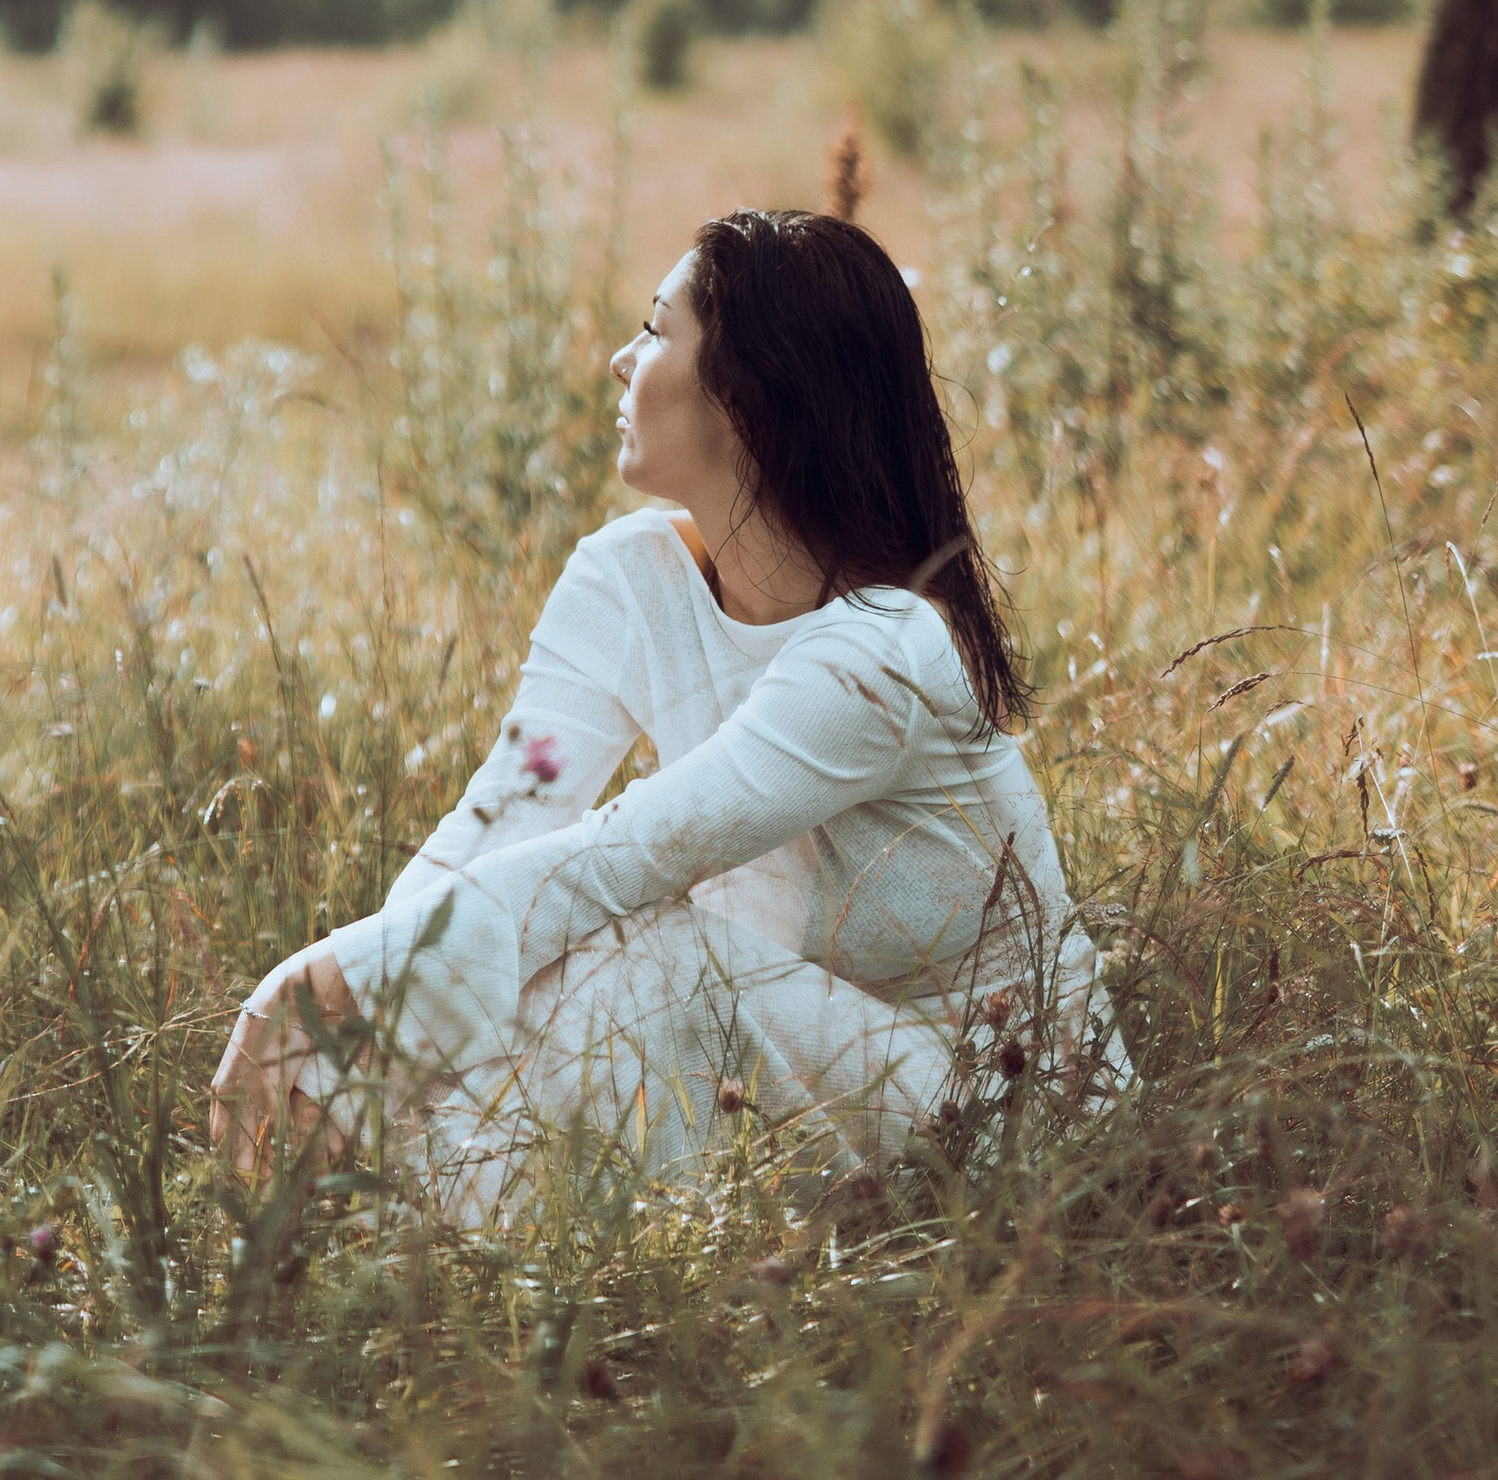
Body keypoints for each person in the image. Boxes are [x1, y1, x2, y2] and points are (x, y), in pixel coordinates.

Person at [209, 209, 1125, 1217]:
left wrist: (316, 983)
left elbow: (628, 854)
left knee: (632, 942)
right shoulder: (627, 578)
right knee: (533, 945)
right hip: (785, 1080)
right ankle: (436, 1232)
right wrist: (346, 1045)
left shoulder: (884, 656)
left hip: (1005, 1121)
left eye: (653, 330)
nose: (618, 359)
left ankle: (564, 1258)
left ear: (745, 395)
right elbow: (505, 816)